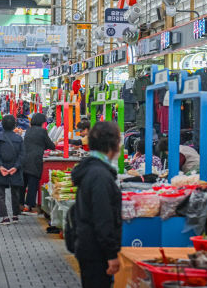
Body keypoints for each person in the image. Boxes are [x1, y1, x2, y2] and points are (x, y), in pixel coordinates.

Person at [70, 121, 122, 288]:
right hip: (96, 251)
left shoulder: (92, 169)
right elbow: (103, 218)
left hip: (87, 245)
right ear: (112, 144)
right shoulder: (100, 175)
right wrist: (111, 254)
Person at [0, 115, 25, 225]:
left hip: (1, 169)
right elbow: (22, 154)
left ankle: (5, 217)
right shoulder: (19, 138)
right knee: (15, 192)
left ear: (2, 125)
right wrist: (16, 167)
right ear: (14, 125)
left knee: (0, 193)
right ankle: (15, 215)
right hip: (14, 168)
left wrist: (0, 166)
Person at [20, 113, 55, 215]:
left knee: (24, 184)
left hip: (24, 160)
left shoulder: (29, 130)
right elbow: (51, 145)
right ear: (41, 122)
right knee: (33, 184)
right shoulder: (42, 131)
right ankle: (28, 207)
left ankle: (20, 204)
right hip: (35, 161)